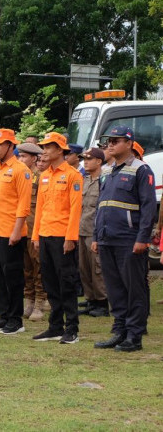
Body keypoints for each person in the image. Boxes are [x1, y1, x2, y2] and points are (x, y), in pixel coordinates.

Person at [93, 126, 156, 352]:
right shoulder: (107, 171)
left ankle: (134, 335)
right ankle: (119, 331)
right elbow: (101, 206)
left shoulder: (142, 170)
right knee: (115, 289)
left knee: (134, 289)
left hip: (129, 239)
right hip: (107, 238)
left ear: (129, 143)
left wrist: (142, 238)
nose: (110, 144)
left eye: (116, 140)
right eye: (109, 141)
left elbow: (148, 208)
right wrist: (96, 236)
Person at [30, 133, 83, 344]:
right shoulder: (44, 175)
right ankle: (55, 326)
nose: (44, 151)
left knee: (66, 283)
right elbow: (40, 208)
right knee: (49, 282)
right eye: (43, 147)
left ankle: (72, 328)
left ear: (60, 149)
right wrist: (36, 235)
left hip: (63, 236)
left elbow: (75, 208)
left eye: (48, 147)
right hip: (45, 235)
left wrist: (70, 237)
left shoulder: (72, 175)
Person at [0, 129, 31, 335]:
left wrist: (17, 230)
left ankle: (15, 319)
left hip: (11, 231)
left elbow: (24, 203)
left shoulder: (20, 169)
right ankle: (3, 314)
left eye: (0, 144)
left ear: (11, 146)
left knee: (13, 276)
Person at [17, 142, 47, 322]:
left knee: (38, 268)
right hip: (21, 228)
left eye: (24, 156)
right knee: (26, 268)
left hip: (35, 227)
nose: (21, 159)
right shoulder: (20, 176)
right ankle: (28, 299)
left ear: (34, 159)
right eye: (20, 156)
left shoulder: (41, 178)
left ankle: (39, 302)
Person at [77, 147, 109, 317]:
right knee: (84, 267)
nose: (85, 162)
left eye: (89, 159)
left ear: (98, 161)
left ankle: (102, 302)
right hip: (82, 229)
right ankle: (91, 300)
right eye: (84, 159)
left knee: (97, 268)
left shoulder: (105, 180)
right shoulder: (85, 180)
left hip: (95, 230)